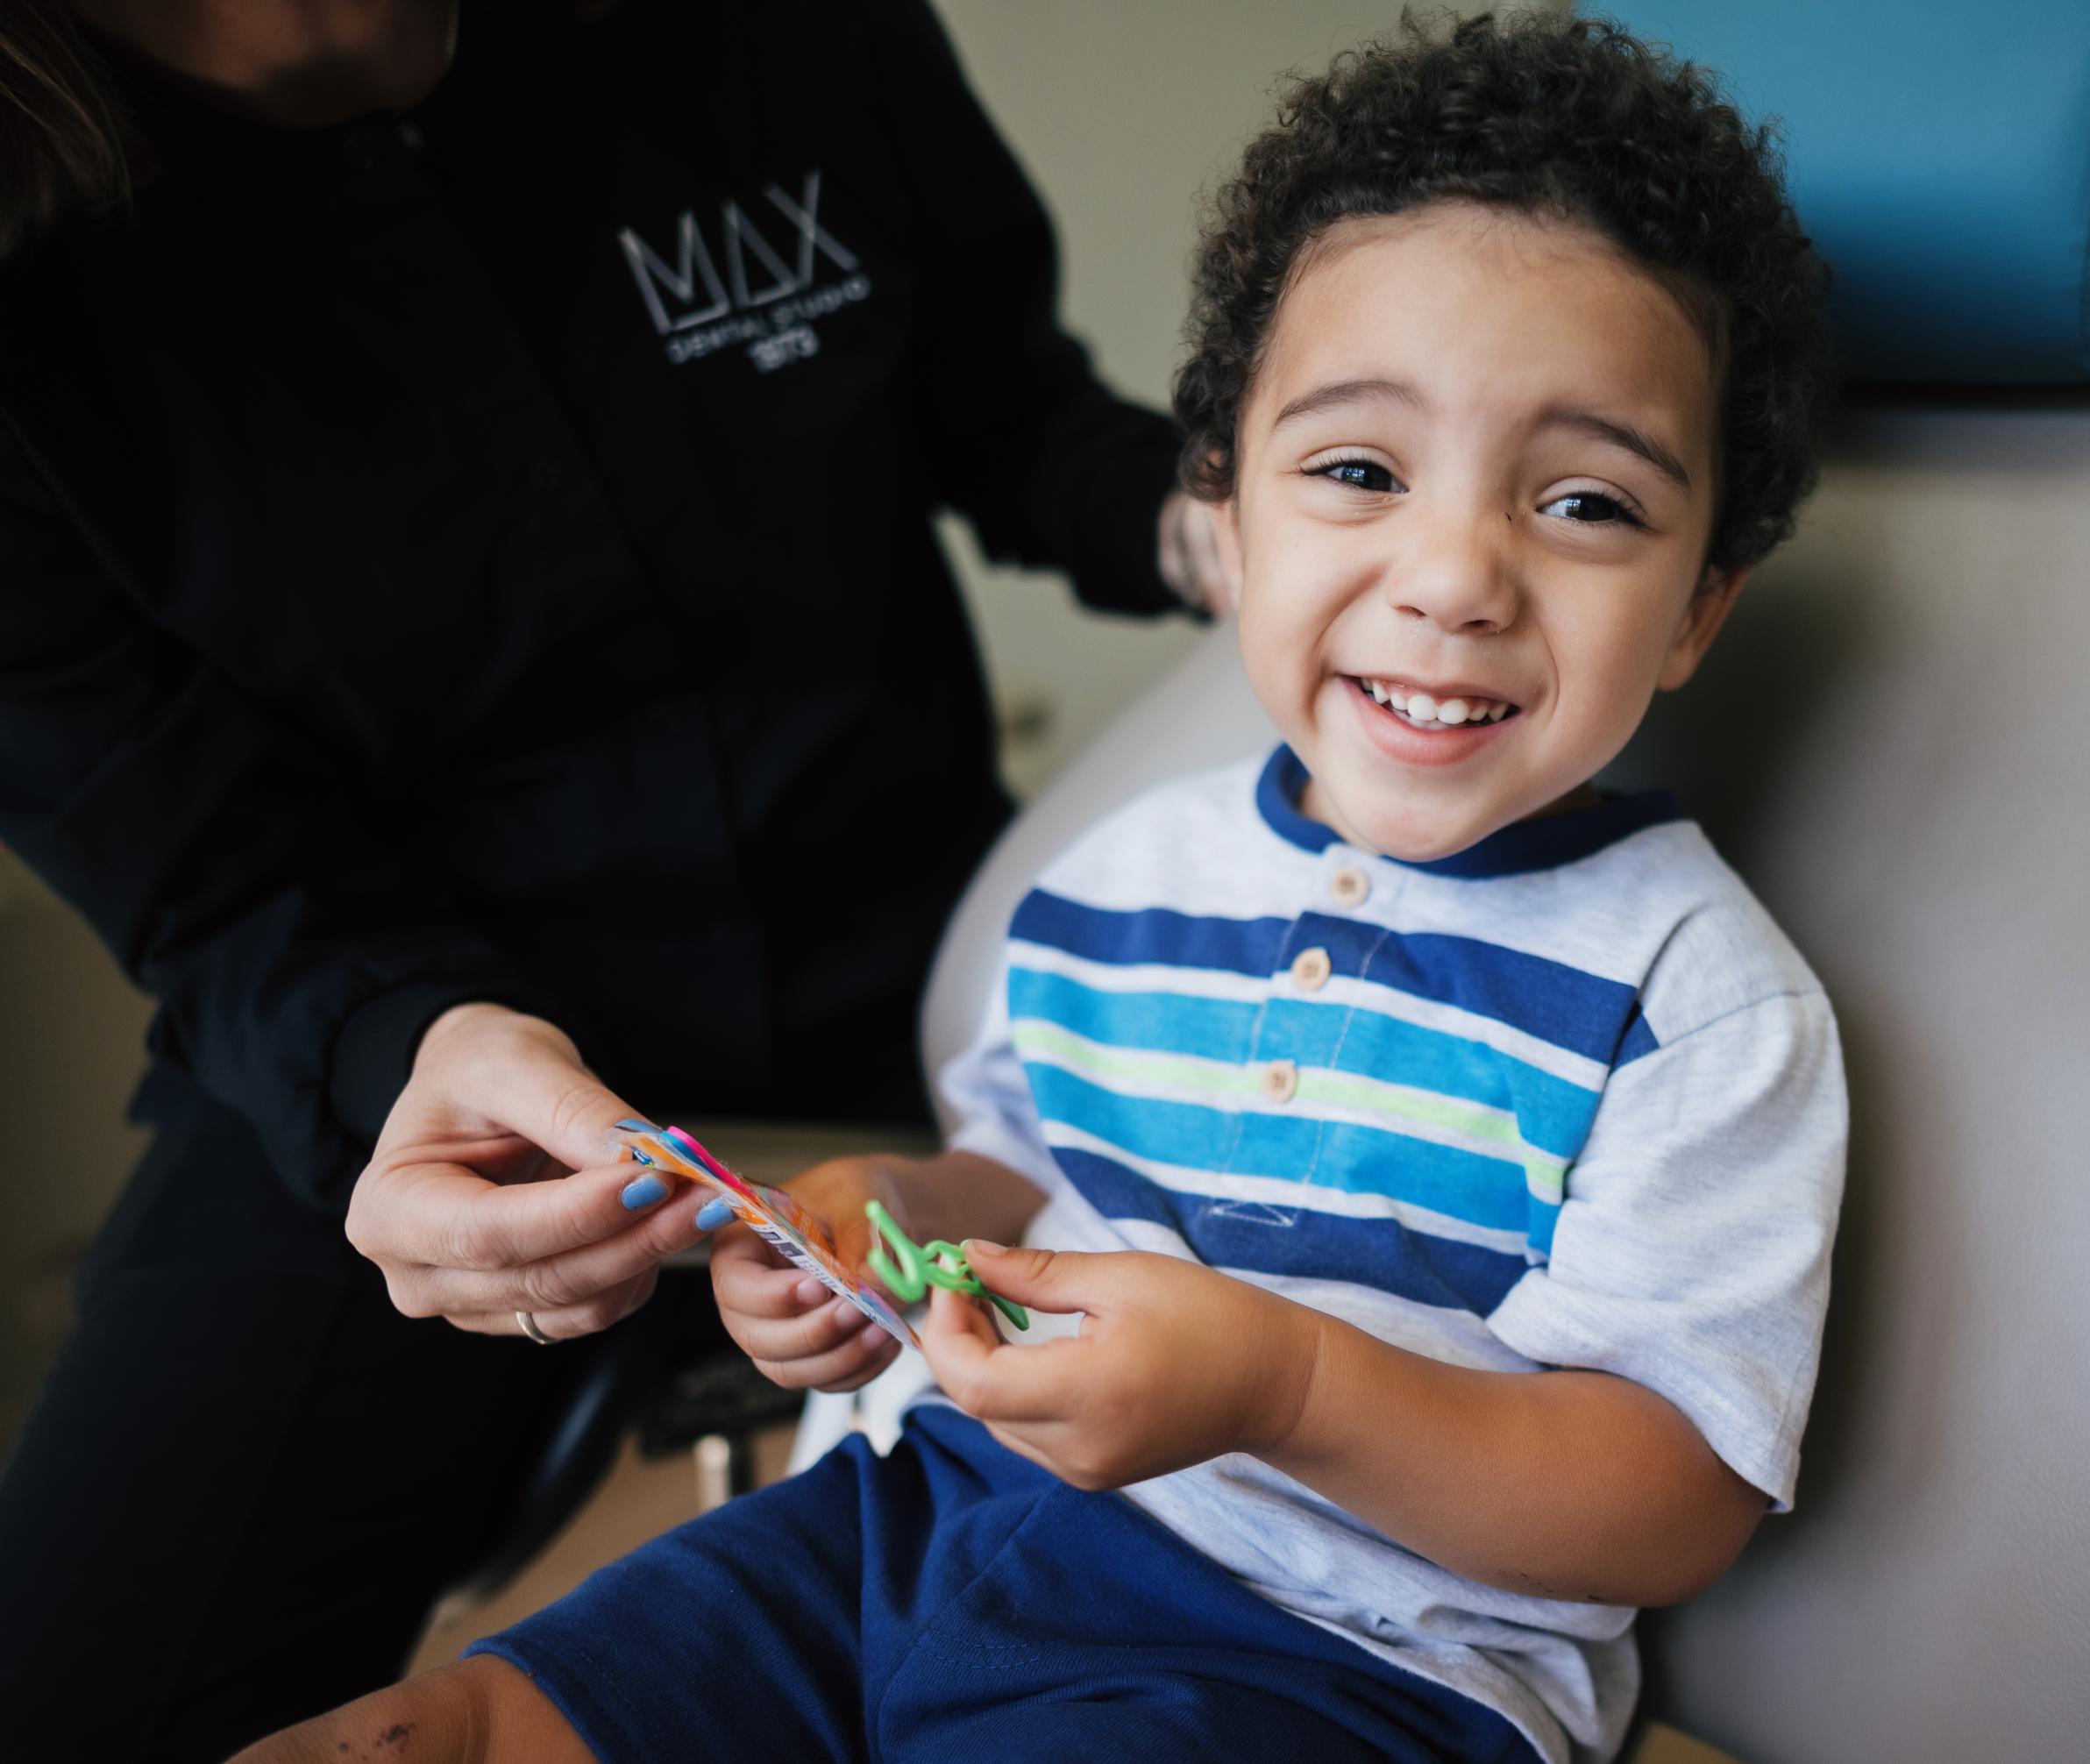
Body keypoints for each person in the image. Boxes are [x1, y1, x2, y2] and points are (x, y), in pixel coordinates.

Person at [250, 12, 1845, 1762]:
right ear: (1227, 525)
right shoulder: (1118, 877)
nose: (1455, 574)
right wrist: (888, 1213)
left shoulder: (1694, 998)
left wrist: (1280, 1383)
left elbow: (1672, 1499)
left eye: (1587, 503)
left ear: (1701, 605)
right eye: (1360, 471)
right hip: (900, 1527)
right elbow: (1016, 1171)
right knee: (428, 1732)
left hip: (1327, 1655)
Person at [0, 0, 1226, 1755]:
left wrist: (1233, 519)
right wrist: (404, 1056)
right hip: (406, 1073)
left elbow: (1009, 407)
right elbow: (206, 877)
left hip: (929, 991)